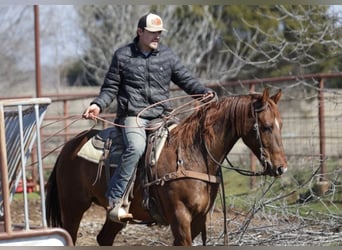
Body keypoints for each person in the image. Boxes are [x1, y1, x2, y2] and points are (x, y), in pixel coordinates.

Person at [83, 13, 216, 223]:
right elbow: (110, 87)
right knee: (136, 147)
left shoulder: (167, 56)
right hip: (133, 115)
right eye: (153, 33)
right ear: (140, 32)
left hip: (162, 116)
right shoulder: (123, 56)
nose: (157, 37)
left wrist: (203, 92)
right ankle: (116, 198)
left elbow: (187, 80)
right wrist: (97, 104)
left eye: (160, 33)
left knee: (184, 146)